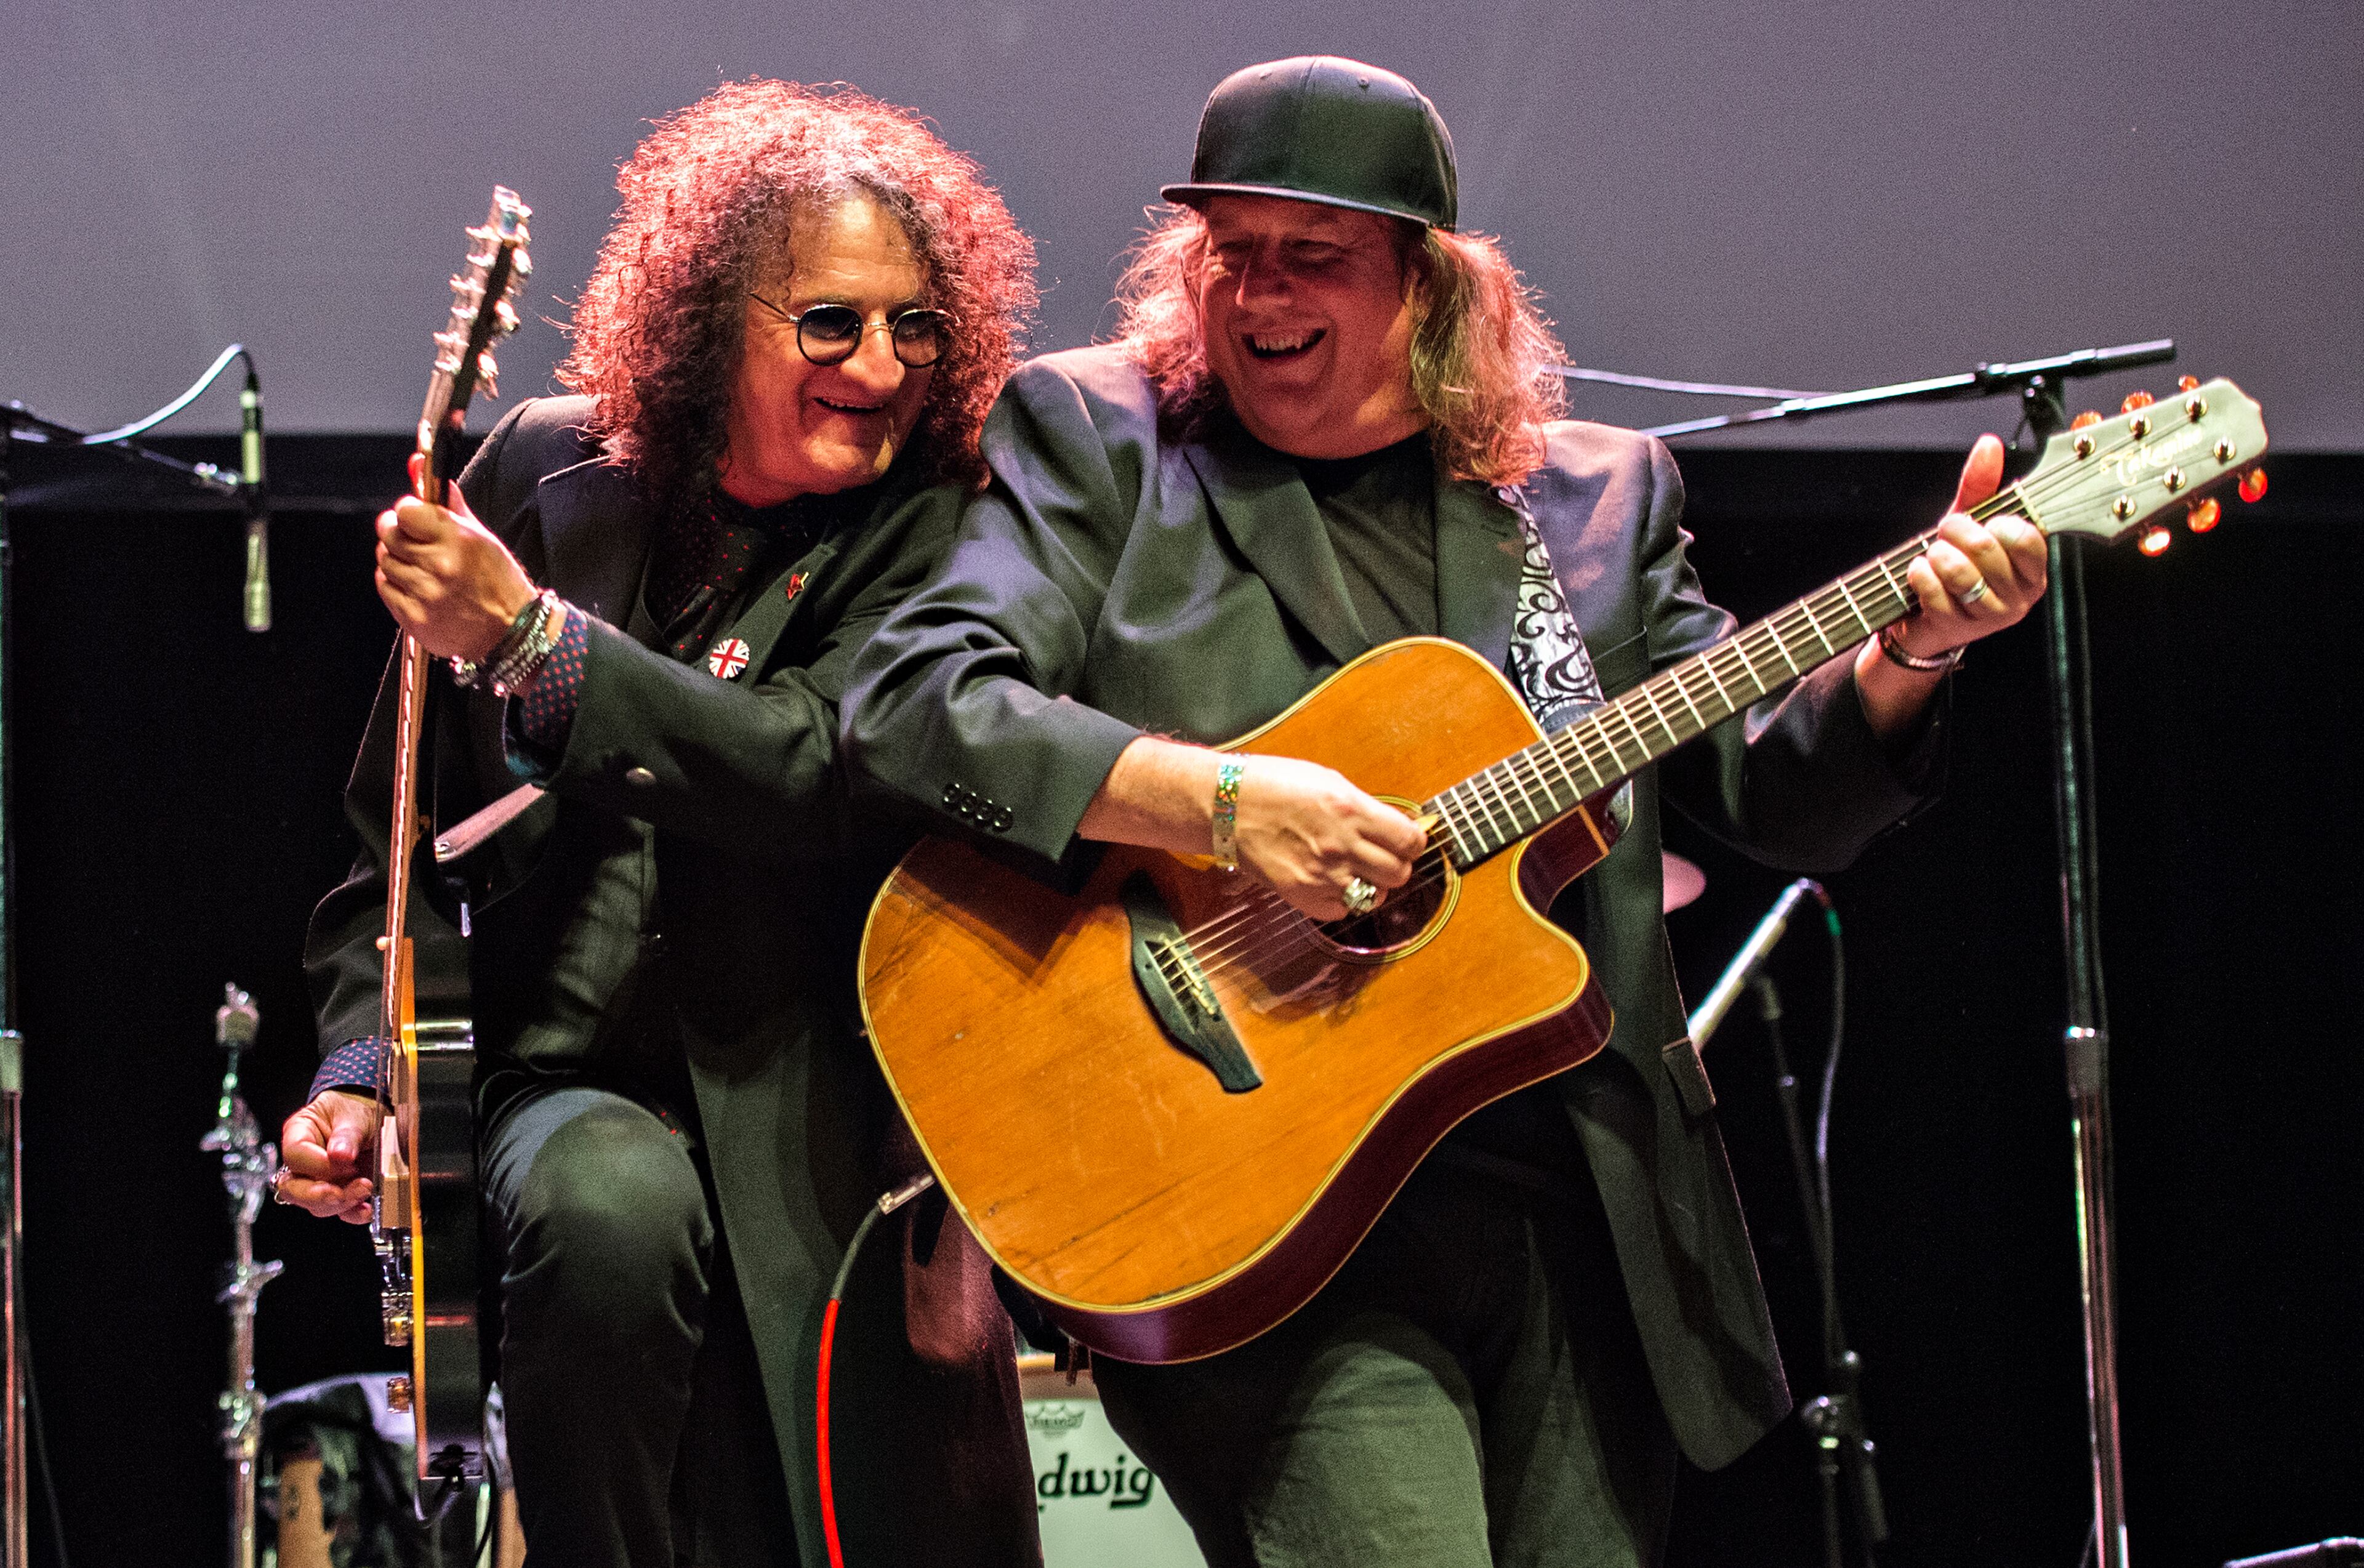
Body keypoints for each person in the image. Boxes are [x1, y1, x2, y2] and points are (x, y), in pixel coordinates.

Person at [842, 55, 2049, 1568]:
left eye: (1314, 256)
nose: (1260, 294)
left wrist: (1909, 651)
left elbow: (1771, 784)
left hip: (1579, 1209)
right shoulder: (1102, 444)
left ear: (1432, 288)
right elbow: (913, 701)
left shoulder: (1591, 506)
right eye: (1231, 252)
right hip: (1249, 1201)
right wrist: (1219, 801)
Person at [275, 80, 1041, 1567]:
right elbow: (397, 836)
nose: (879, 368)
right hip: (567, 1088)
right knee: (608, 1208)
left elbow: (809, 761)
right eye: (830, 323)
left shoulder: (945, 527)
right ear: (711, 318)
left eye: (915, 328)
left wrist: (532, 645)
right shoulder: (548, 475)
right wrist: (371, 1070)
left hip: (829, 1107)